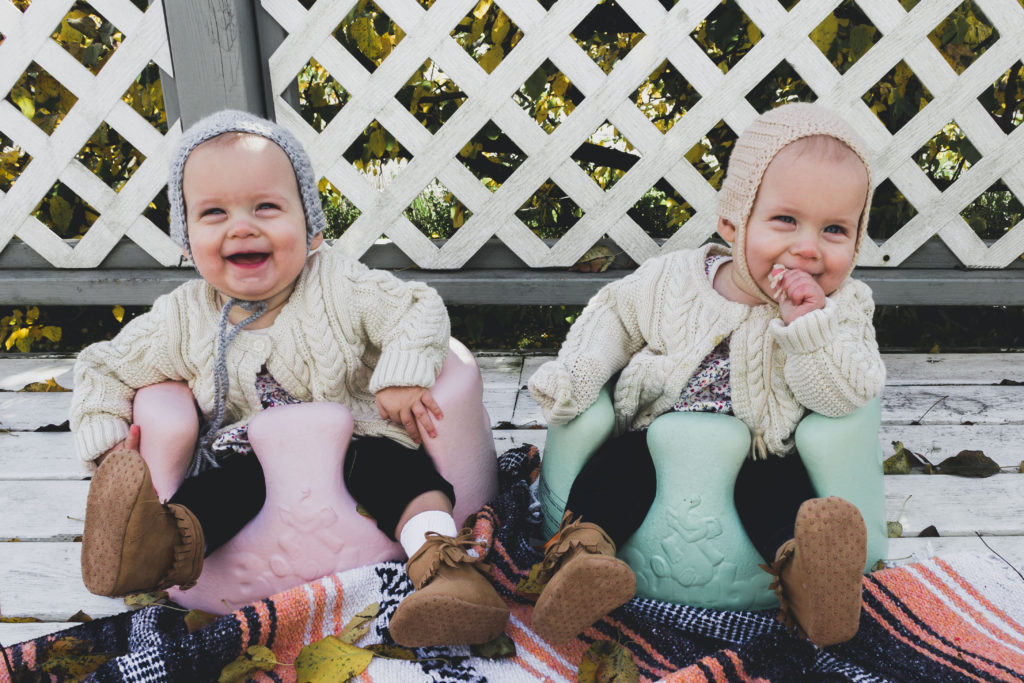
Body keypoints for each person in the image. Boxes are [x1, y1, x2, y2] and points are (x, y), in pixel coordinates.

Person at [70, 110, 507, 647]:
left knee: (407, 482)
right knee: (217, 496)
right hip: (251, 461)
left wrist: (402, 372)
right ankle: (158, 551)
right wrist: (108, 441)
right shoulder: (182, 317)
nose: (242, 226)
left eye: (266, 207)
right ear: (186, 242)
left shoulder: (340, 283)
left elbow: (418, 307)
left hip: (361, 441)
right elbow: (103, 365)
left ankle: (444, 570)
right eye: (213, 213)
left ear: (312, 226)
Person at [527, 103, 886, 647]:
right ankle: (583, 561)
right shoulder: (673, 279)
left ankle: (809, 582)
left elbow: (845, 398)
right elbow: (613, 318)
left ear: (856, 242)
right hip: (653, 438)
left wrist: (809, 326)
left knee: (781, 499)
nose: (808, 248)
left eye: (834, 230)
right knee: (615, 471)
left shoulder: (845, 308)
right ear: (732, 223)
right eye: (785, 221)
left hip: (762, 452)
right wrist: (578, 376)